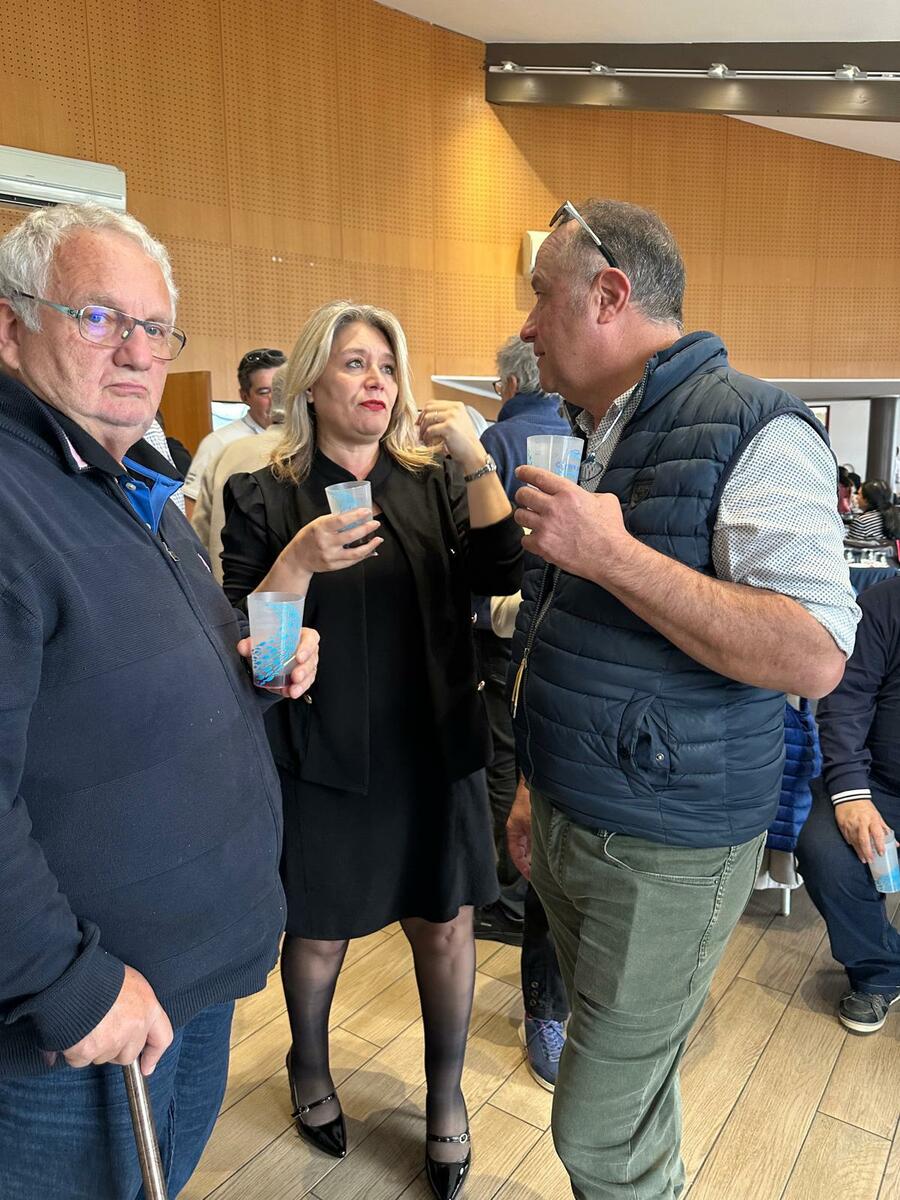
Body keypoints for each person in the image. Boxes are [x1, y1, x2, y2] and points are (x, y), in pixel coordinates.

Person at [504, 198, 860, 1199]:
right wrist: (534, 786)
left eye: (541, 295)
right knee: (631, 1086)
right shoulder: (601, 430)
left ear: (608, 294)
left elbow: (815, 653)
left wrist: (614, 556)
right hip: (578, 818)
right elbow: (567, 632)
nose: (527, 325)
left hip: (665, 849)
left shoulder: (757, 427)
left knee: (598, 1132)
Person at [0, 203, 318, 1200]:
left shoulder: (125, 478)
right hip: (77, 1027)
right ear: (10, 327)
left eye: (155, 328)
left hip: (182, 985)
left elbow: (111, 689)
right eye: (98, 318)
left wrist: (248, 672)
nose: (137, 352)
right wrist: (66, 983)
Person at [220, 300, 521, 1200]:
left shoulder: (432, 483)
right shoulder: (263, 493)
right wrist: (298, 561)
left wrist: (476, 459)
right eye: (355, 363)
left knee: (447, 925)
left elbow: (503, 573)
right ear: (312, 381)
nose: (376, 381)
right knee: (317, 933)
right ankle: (309, 1067)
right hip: (322, 746)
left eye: (388, 366)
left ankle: (446, 1098)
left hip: (433, 743)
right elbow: (256, 652)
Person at [472, 335, 571, 1091]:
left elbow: (485, 560)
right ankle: (552, 1006)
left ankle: (507, 896)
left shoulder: (497, 442)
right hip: (559, 650)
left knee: (510, 764)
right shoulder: (577, 438)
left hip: (507, 640)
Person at [796, 577, 900, 1033]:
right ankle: (879, 970)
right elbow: (847, 701)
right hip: (878, 782)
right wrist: (852, 792)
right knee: (824, 849)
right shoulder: (885, 602)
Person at [199, 367, 287, 582]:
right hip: (283, 599)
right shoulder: (309, 457)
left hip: (221, 593)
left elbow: (198, 535)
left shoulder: (229, 452)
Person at [183, 346, 285, 518]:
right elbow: (192, 509)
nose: (275, 399)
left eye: (281, 390)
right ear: (244, 396)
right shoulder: (218, 443)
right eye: (264, 392)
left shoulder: (306, 439)